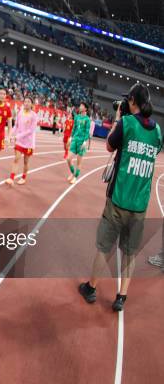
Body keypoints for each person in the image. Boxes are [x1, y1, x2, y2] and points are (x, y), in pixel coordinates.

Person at [79, 84, 162, 311]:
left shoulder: (126, 124)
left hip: (119, 199)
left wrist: (118, 119)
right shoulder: (157, 131)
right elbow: (154, 151)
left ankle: (91, 288)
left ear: (132, 100)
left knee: (104, 246)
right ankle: (121, 297)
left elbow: (108, 146)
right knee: (130, 251)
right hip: (140, 203)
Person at [5, 97, 38, 185]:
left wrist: (17, 136)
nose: (26, 103)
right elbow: (16, 126)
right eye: (25, 101)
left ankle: (24, 177)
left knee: (26, 162)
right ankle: (11, 178)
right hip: (19, 142)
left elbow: (30, 131)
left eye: (28, 101)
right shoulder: (20, 113)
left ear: (31, 104)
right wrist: (10, 135)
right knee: (16, 158)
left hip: (28, 143)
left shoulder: (34, 115)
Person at [66, 102, 91, 184]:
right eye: (80, 105)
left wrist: (85, 141)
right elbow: (74, 128)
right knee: (69, 159)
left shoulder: (87, 119)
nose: (80, 107)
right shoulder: (77, 117)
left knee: (78, 162)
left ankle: (75, 177)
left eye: (82, 106)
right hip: (75, 140)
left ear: (85, 108)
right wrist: (70, 137)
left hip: (81, 142)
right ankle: (73, 173)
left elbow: (87, 132)